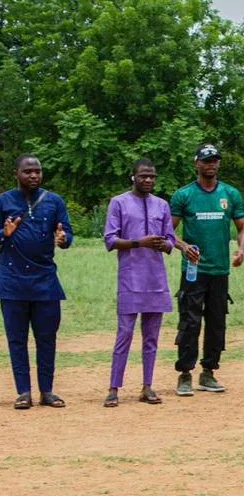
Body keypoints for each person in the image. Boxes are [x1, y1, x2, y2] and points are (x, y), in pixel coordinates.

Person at [170, 144, 244, 396]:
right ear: (197, 164)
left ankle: (209, 372)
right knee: (190, 322)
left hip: (220, 271)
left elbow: (242, 228)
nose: (210, 165)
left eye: (214, 160)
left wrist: (241, 250)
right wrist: (183, 247)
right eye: (206, 161)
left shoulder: (230, 194)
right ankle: (184, 374)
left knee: (216, 323)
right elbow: (168, 232)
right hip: (193, 271)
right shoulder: (184, 196)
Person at [0, 155, 73, 409]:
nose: (33, 175)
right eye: (28, 171)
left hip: (45, 282)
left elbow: (68, 234)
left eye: (37, 171)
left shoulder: (54, 201)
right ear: (16, 174)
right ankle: (23, 392)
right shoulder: (4, 201)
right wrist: (4, 233)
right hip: (12, 283)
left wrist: (63, 239)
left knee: (47, 338)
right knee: (16, 340)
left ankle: (47, 391)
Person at [103, 158, 176, 407]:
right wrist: (138, 242)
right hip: (130, 279)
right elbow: (110, 240)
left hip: (156, 279)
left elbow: (171, 241)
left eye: (152, 176)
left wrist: (164, 244)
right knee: (124, 334)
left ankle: (147, 386)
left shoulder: (162, 205)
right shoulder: (119, 203)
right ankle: (114, 388)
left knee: (152, 338)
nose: (148, 180)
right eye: (143, 176)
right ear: (132, 177)